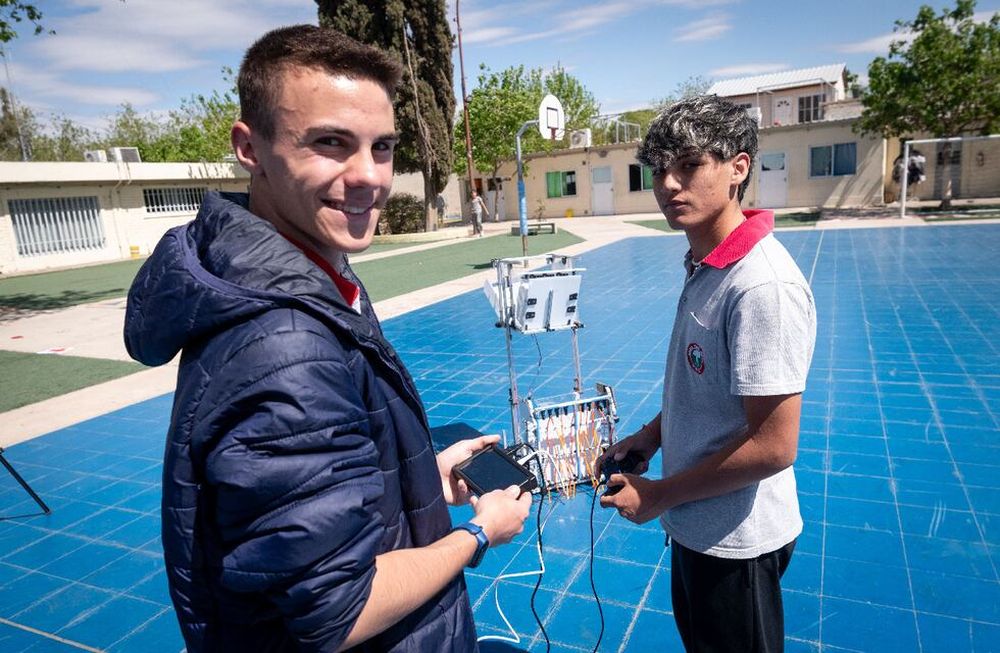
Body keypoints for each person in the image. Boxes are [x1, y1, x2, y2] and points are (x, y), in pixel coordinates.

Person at [124, 25, 531, 653]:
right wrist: (479, 532)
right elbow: (339, 613)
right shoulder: (284, 346)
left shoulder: (311, 272)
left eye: (383, 146)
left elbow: (319, 496)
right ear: (249, 146)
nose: (368, 176)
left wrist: (421, 478)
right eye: (330, 143)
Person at [597, 95, 816, 652]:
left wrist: (660, 495)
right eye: (659, 170)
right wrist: (650, 437)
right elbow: (704, 390)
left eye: (689, 165)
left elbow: (774, 447)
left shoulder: (761, 286)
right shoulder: (705, 261)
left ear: (738, 167)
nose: (668, 184)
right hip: (699, 523)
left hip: (736, 542)